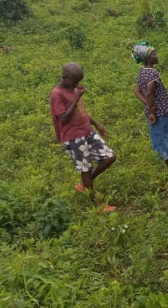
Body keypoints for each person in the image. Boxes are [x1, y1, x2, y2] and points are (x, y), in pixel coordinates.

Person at [49, 63, 117, 212]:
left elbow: (80, 111)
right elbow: (63, 118)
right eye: (75, 81)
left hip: (87, 130)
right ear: (65, 77)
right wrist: (77, 97)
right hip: (74, 137)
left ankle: (85, 184)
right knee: (85, 168)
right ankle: (97, 206)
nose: (77, 84)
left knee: (109, 157)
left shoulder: (73, 89)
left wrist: (97, 124)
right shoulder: (57, 94)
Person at [132, 42, 168, 168]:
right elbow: (150, 93)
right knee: (165, 136)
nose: (157, 56)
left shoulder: (143, 72)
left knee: (160, 136)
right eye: (154, 54)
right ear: (147, 58)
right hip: (160, 112)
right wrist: (152, 110)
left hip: (154, 111)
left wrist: (147, 105)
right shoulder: (152, 74)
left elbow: (137, 91)